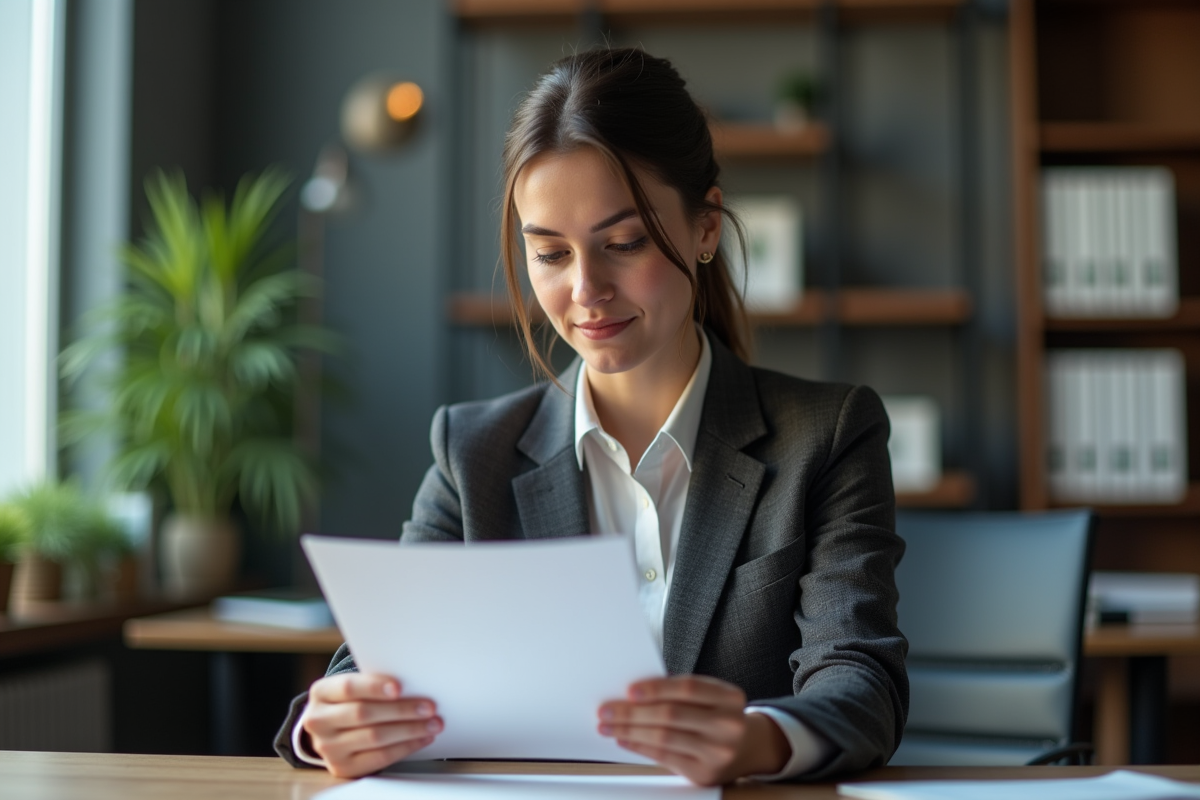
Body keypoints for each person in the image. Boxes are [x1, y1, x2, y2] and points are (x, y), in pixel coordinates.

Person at [274, 47, 907, 786]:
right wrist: (335, 726)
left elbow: (860, 682)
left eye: (625, 243)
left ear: (706, 227)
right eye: (548, 253)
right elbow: (373, 665)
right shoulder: (473, 451)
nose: (585, 290)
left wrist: (756, 739)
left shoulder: (825, 435)